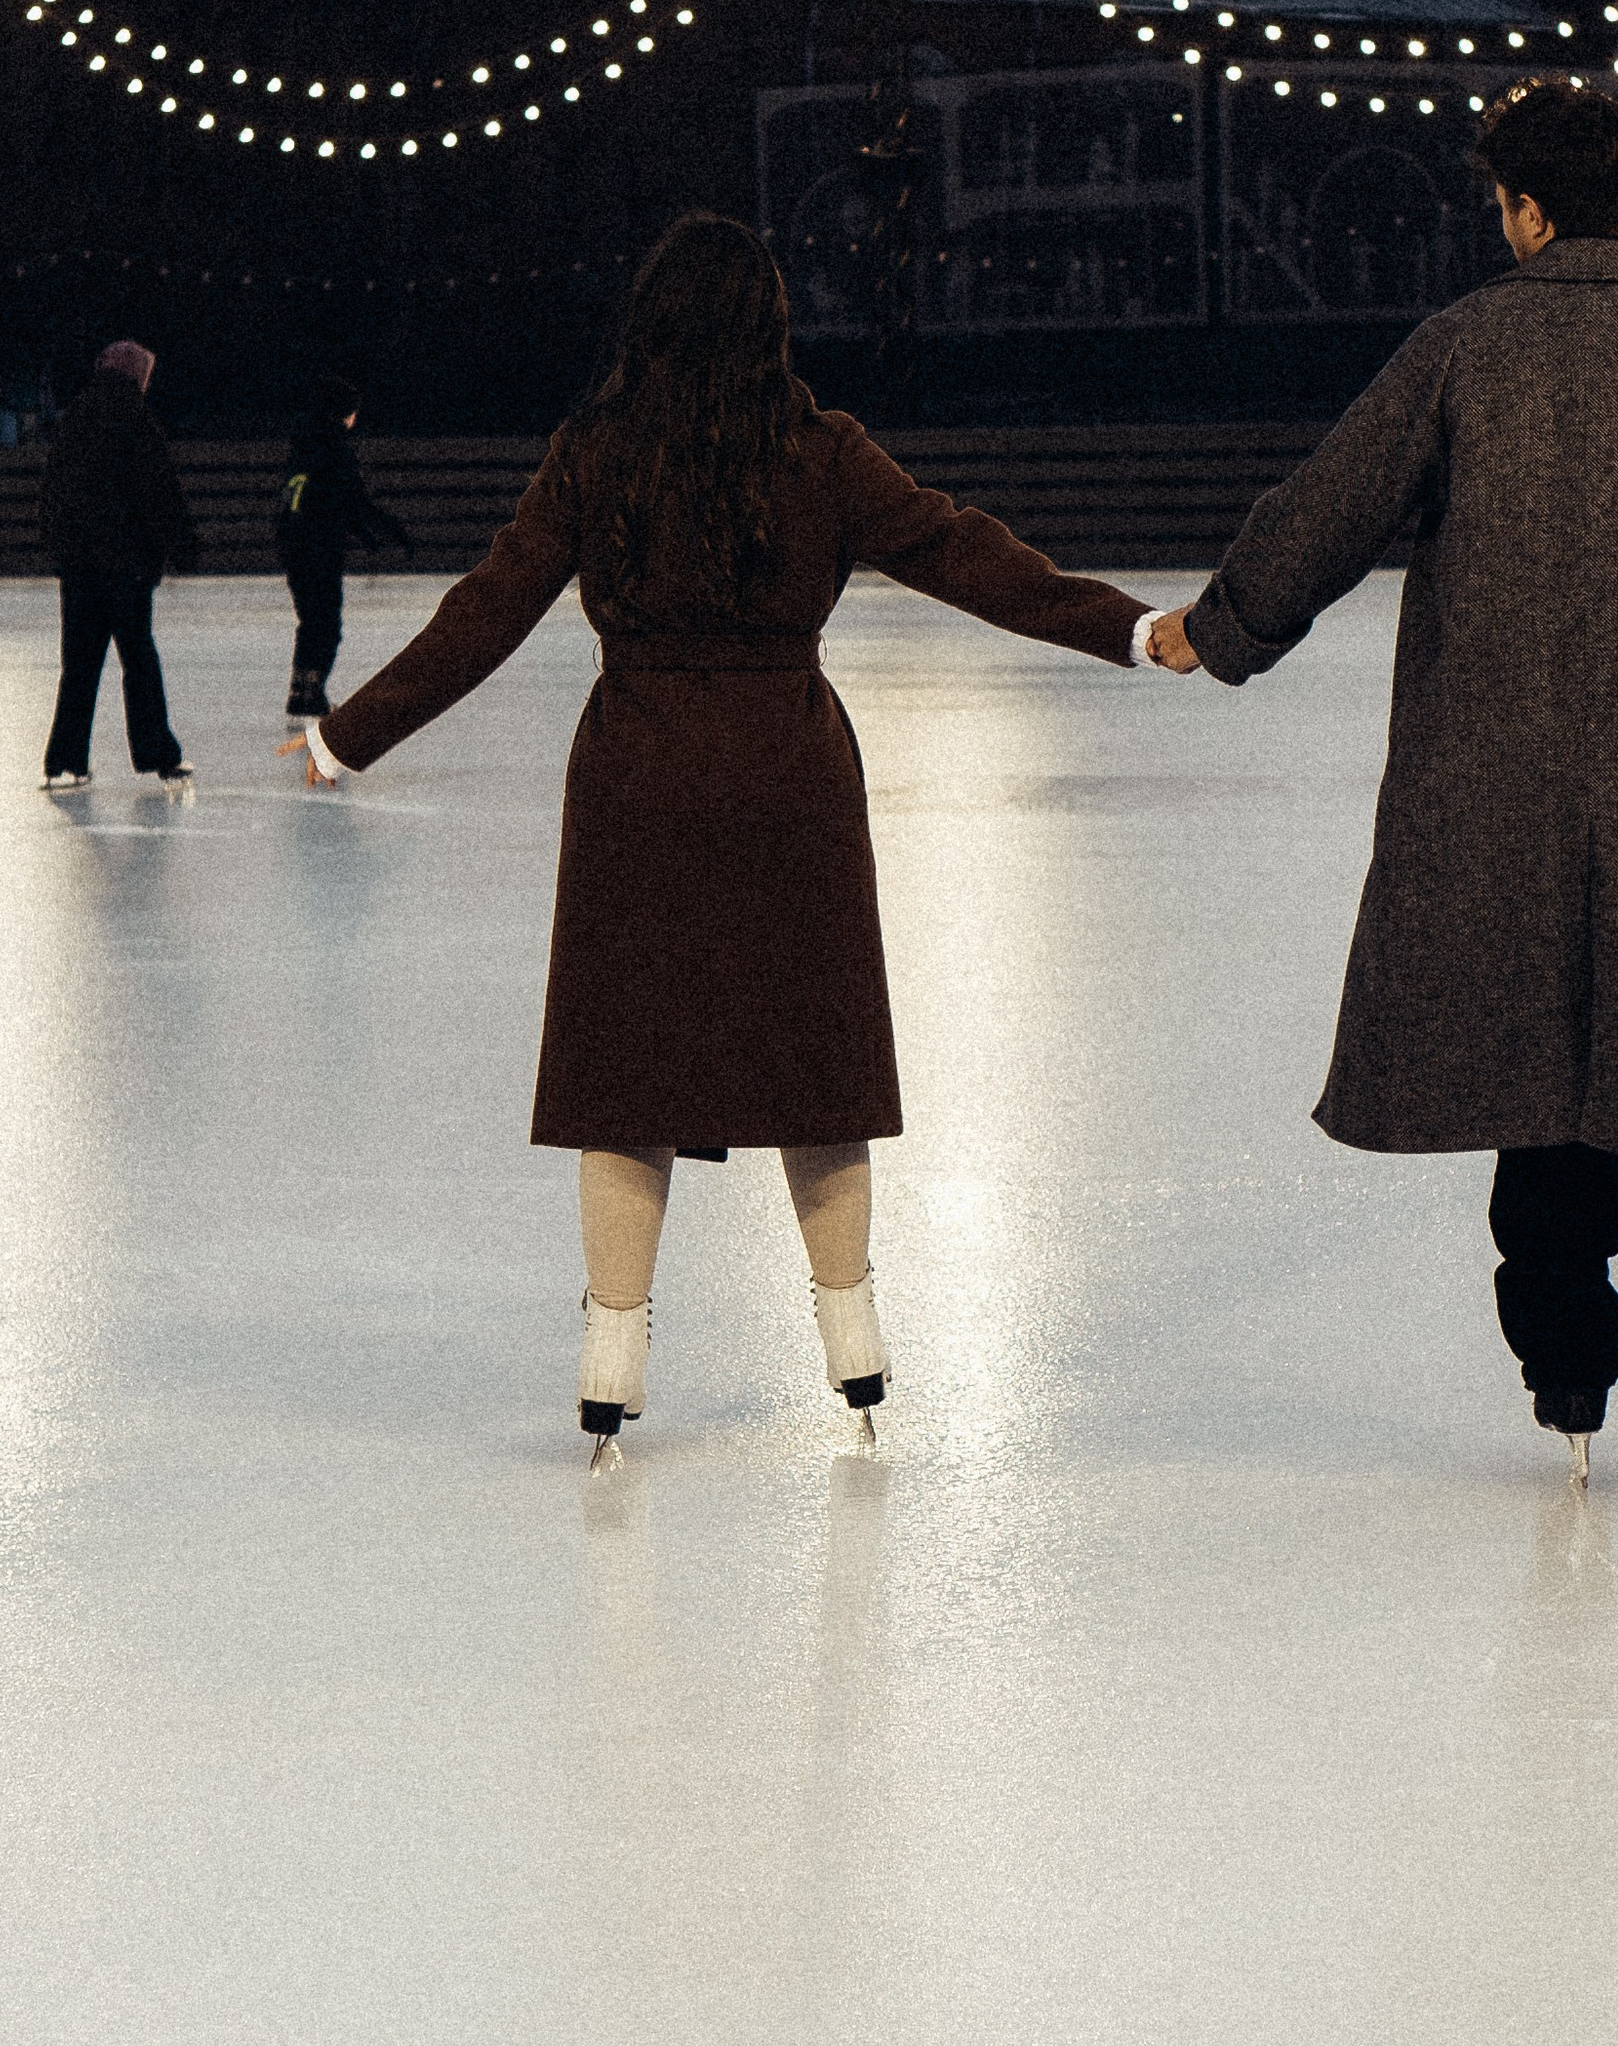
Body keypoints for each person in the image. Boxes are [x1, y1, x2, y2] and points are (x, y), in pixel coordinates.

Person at [286, 212, 1166, 1468]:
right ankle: (855, 1352)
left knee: (625, 1079)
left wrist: (347, 735)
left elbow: (488, 610)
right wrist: (1129, 630)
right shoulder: (821, 452)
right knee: (818, 1069)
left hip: (639, 780)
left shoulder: (595, 452)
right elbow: (960, 552)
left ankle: (611, 1368)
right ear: (769, 324)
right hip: (788, 779)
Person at [1144, 77, 1618, 1505]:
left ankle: (1566, 1367)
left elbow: (1334, 503)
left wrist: (1224, 625)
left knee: (1544, 1076)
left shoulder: (1461, 351)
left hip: (1501, 780)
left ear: (1529, 209)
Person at [40, 339, 200, 793]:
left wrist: (62, 550)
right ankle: (159, 755)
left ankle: (64, 761)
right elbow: (159, 489)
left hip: (81, 569)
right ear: (136, 375)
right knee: (139, 661)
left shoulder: (75, 417)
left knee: (79, 665)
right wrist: (181, 544)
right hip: (126, 568)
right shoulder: (136, 417)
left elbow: (54, 491)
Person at [276, 375, 414, 720]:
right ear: (344, 412)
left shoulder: (303, 446)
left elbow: (332, 500)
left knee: (310, 621)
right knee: (327, 624)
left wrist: (366, 536)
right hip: (320, 546)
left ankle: (302, 690)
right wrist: (391, 532)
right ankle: (311, 692)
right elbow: (353, 500)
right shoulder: (336, 448)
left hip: (294, 544)